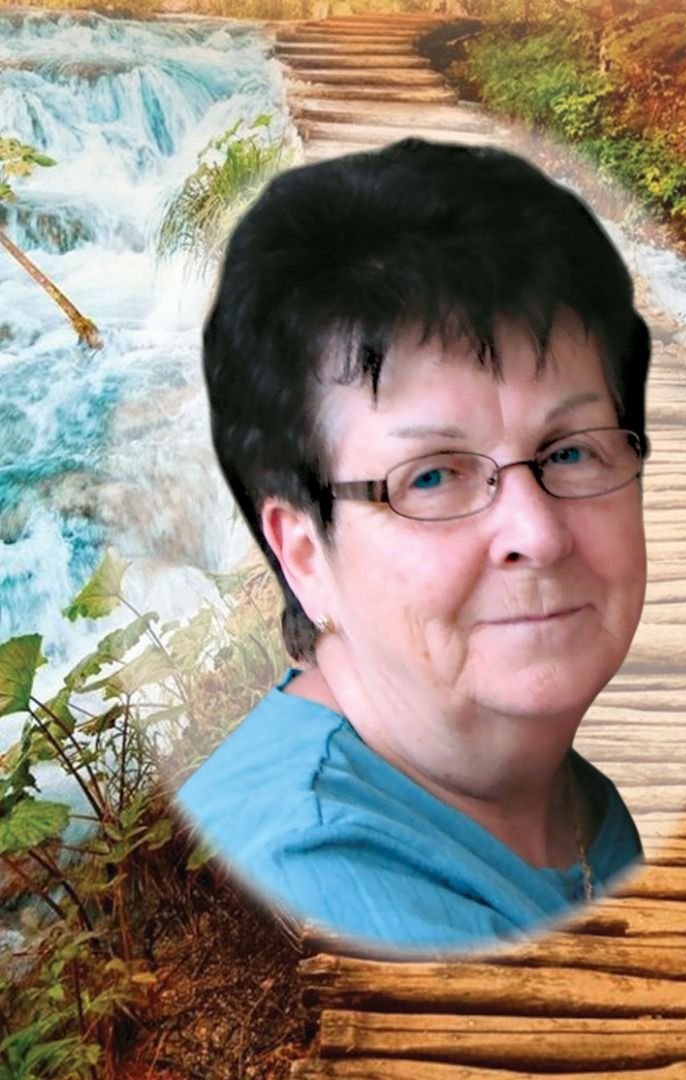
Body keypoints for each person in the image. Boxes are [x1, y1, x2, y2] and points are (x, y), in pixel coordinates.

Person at [176, 137, 652, 955]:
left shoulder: (543, 793)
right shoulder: (322, 886)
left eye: (571, 452)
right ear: (304, 556)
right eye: (431, 478)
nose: (537, 534)